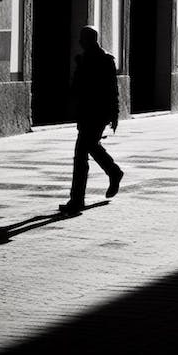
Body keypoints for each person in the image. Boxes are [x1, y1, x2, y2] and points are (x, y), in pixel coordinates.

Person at [59, 26, 123, 214]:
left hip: (98, 114)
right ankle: (113, 172)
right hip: (86, 113)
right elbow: (77, 87)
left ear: (91, 39)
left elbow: (113, 89)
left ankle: (77, 200)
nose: (79, 42)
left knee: (81, 154)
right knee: (91, 147)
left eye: (82, 38)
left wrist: (115, 114)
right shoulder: (83, 59)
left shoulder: (105, 60)